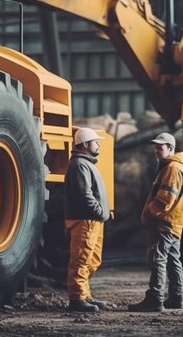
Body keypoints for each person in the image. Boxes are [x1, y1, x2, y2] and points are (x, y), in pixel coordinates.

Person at [128, 132, 183, 312]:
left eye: (160, 147)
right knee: (172, 260)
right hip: (174, 222)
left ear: (171, 148)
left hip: (165, 222)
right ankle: (177, 297)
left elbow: (165, 200)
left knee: (158, 259)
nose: (156, 150)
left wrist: (148, 213)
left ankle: (155, 299)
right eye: (156, 147)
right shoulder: (174, 167)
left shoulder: (172, 168)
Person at [64, 127, 112, 312]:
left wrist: (104, 212)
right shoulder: (80, 165)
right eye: (95, 141)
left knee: (92, 260)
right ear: (85, 144)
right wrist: (101, 211)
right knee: (81, 260)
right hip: (85, 221)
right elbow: (84, 196)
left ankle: (85, 294)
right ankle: (77, 298)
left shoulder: (86, 164)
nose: (98, 144)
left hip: (92, 220)